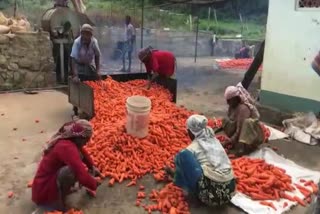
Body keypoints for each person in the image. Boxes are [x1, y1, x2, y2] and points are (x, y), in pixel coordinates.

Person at [165, 115, 235, 207]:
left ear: (191, 132)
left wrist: (177, 174)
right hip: (229, 192)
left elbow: (189, 168)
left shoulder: (192, 148)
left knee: (182, 156)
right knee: (196, 163)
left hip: (212, 197)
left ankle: (180, 182)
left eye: (188, 130)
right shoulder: (213, 140)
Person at [32, 119, 101, 212]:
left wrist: (91, 166)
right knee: (71, 171)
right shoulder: (66, 147)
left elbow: (82, 151)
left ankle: (62, 192)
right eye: (86, 140)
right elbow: (81, 174)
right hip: (44, 191)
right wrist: (93, 184)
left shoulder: (69, 139)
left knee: (74, 165)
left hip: (46, 183)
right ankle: (55, 203)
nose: (87, 143)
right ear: (80, 138)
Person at [222, 82, 265, 156]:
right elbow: (232, 122)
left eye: (229, 100)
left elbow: (240, 128)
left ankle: (244, 147)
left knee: (247, 122)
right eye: (227, 100)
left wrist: (230, 141)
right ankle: (238, 143)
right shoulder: (232, 107)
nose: (227, 103)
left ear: (235, 98)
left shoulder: (243, 108)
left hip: (253, 135)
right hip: (241, 133)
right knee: (225, 121)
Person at [70, 24, 101, 116]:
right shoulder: (77, 42)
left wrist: (98, 70)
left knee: (92, 82)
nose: (86, 36)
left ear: (91, 35)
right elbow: (73, 59)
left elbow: (97, 55)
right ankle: (76, 106)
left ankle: (90, 105)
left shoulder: (94, 42)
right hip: (78, 64)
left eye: (88, 34)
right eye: (84, 34)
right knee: (77, 84)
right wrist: (75, 74)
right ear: (81, 34)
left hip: (88, 64)